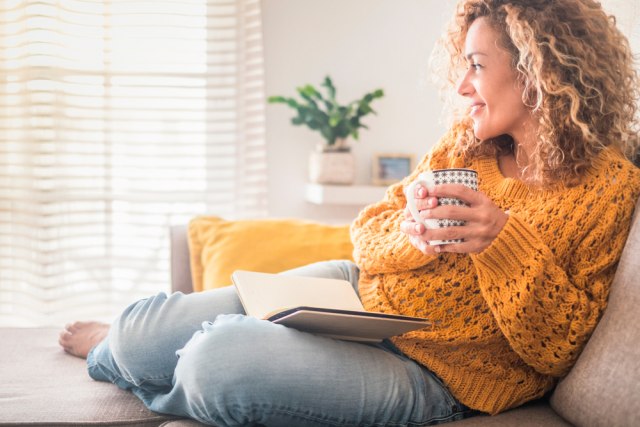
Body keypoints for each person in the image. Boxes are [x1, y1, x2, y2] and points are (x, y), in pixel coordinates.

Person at [59, 0, 640, 425]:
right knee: (139, 333)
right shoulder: (466, 146)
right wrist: (414, 236)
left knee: (217, 362)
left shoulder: (609, 187)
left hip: (438, 373)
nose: (462, 85)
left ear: (540, 73)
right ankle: (125, 353)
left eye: (478, 65)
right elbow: (366, 236)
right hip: (354, 296)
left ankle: (175, 371)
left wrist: (500, 242)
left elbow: (561, 348)